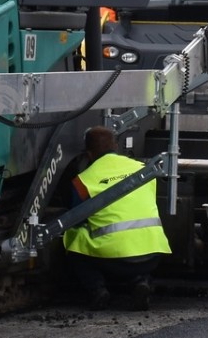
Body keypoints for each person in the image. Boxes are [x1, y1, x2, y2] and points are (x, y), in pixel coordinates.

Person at [62, 126, 172, 308]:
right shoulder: (143, 170)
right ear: (116, 146)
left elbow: (76, 218)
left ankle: (97, 290)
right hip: (152, 254)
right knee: (132, 238)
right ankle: (140, 281)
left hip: (113, 259)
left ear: (89, 154)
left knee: (75, 235)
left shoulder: (83, 181)